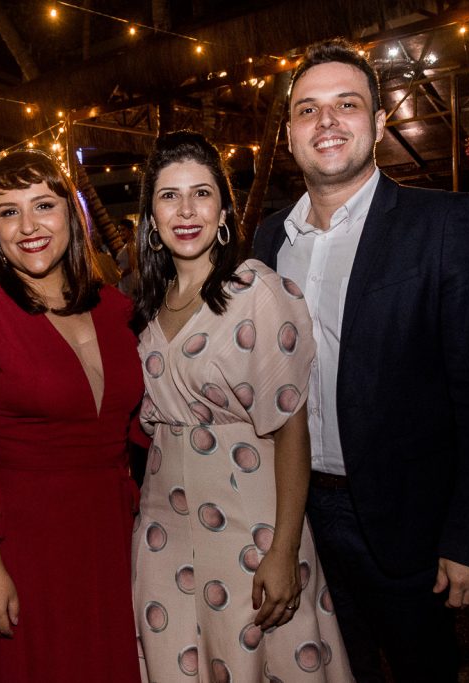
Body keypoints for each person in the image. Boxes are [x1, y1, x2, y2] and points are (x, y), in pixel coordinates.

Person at [252, 38, 469, 682]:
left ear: (376, 123)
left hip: (407, 520)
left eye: (347, 104)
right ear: (289, 134)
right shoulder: (266, 239)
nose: (327, 122)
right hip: (297, 515)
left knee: (422, 669)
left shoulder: (444, 224)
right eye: (308, 109)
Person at [131, 130, 352, 682]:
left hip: (250, 526)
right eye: (169, 196)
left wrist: (283, 549)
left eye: (201, 194)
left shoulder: (256, 291)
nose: (186, 210)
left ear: (223, 211)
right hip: (162, 528)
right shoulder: (147, 309)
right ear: (151, 219)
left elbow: (291, 430)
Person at [0, 150, 142, 681]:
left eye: (43, 205)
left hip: (116, 536)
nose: (28, 226)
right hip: (27, 546)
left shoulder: (118, 310)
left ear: (72, 215)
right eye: (8, 211)